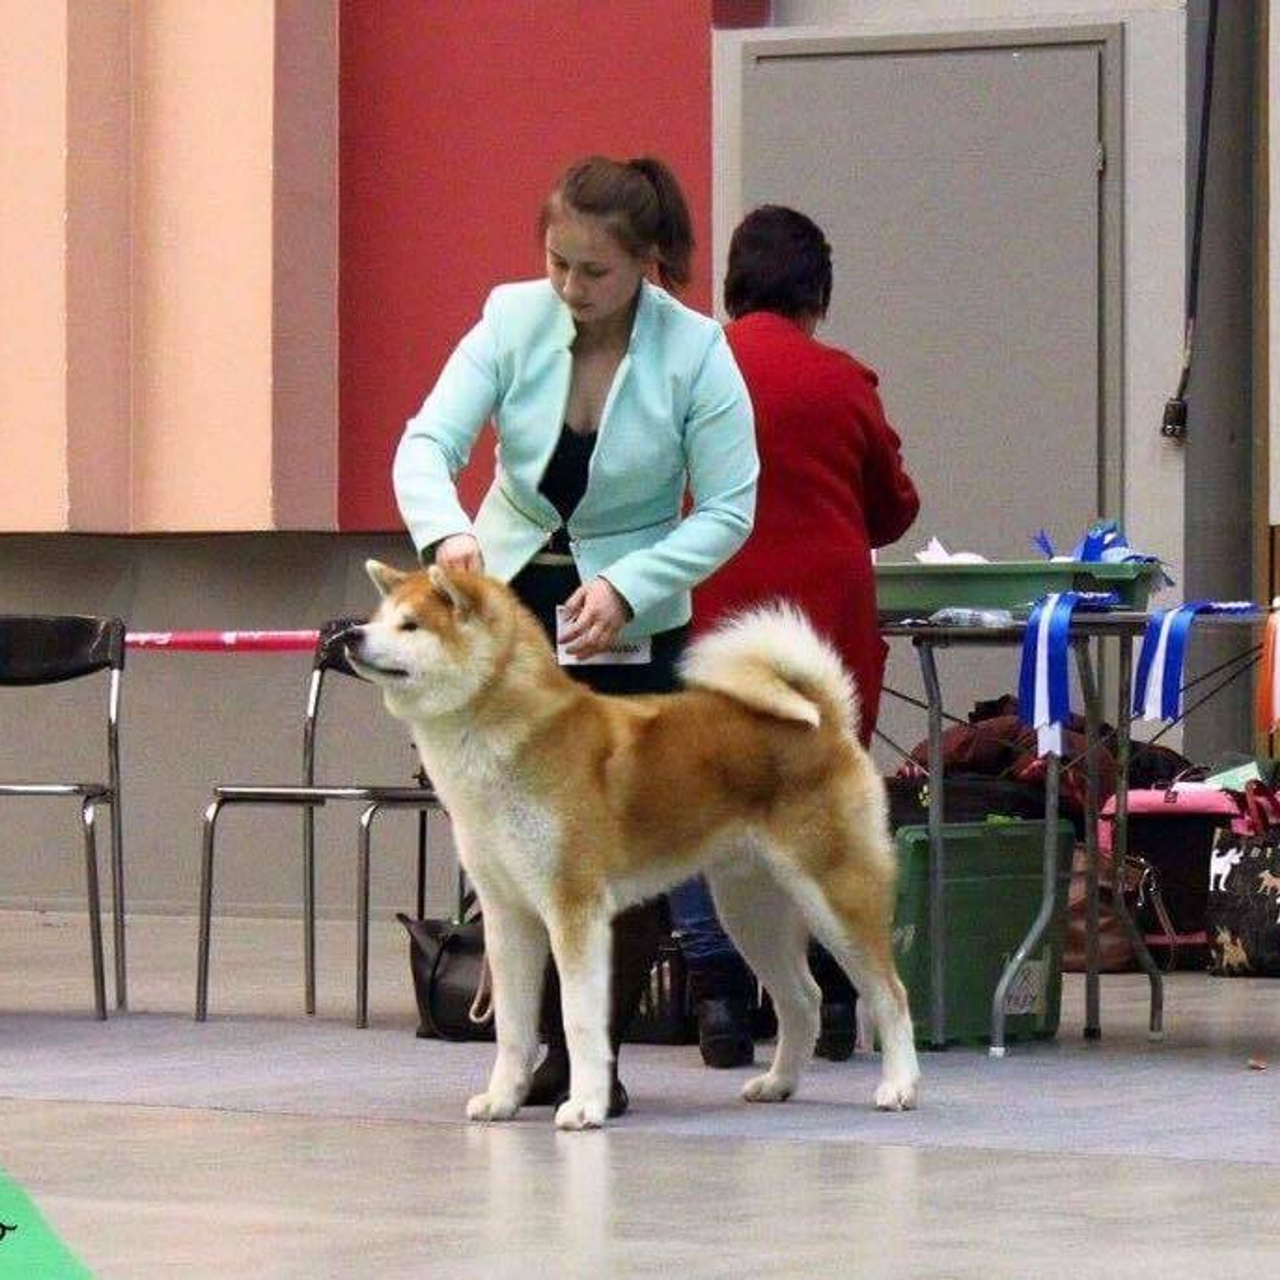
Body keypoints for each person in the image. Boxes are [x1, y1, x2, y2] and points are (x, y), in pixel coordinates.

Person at [392, 155, 758, 1115]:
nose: (569, 287)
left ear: (647, 262)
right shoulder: (511, 317)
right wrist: (448, 532)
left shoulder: (698, 353)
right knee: (504, 840)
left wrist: (631, 588)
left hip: (628, 619)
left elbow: (729, 508)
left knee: (624, 847)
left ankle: (581, 1053)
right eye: (557, 262)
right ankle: (527, 1049)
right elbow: (427, 443)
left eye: (593, 271)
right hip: (506, 615)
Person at [669, 204, 920, 1069]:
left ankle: (721, 1003)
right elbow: (893, 507)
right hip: (824, 628)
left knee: (711, 804)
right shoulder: (843, 379)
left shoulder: (691, 374)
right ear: (817, 292)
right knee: (820, 808)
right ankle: (844, 999)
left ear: (734, 286)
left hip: (716, 619)